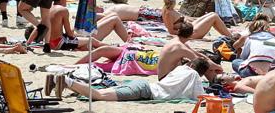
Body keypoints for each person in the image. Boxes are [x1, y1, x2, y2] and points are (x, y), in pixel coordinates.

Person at [54, 58, 209, 102]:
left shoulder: (180, 68)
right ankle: (67, 81)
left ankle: (65, 83)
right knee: (98, 95)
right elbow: (200, 97)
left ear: (191, 64)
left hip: (144, 85)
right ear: (200, 73)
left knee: (99, 92)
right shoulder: (194, 76)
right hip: (145, 91)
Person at [27, 0, 129, 51]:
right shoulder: (63, 10)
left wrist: (28, 43)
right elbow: (69, 34)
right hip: (59, 43)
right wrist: (76, 35)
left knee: (85, 43)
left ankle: (110, 46)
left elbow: (39, 28)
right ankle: (116, 48)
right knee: (92, 40)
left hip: (51, 42)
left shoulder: (48, 10)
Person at [156, 21, 222, 82]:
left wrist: (214, 64)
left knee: (203, 63)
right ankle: (216, 80)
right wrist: (218, 67)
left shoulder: (178, 42)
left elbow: (198, 55)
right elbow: (201, 62)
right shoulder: (180, 47)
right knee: (203, 66)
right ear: (191, 34)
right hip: (165, 79)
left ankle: (216, 79)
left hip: (165, 76)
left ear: (179, 31)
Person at [161, 0, 232, 38]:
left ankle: (228, 35)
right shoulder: (168, 13)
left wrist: (197, 19)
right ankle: (230, 37)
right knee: (214, 17)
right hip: (189, 33)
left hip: (188, 27)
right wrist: (185, 33)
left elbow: (179, 20)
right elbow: (171, 31)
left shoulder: (168, 9)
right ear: (174, 1)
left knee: (212, 14)